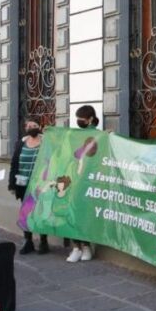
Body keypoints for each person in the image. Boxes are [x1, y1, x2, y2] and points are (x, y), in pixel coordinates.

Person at [65, 105, 99, 263]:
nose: (79, 121)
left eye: (82, 119)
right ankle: (76, 247)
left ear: (91, 119)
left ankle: (86, 246)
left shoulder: (98, 136)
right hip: (75, 179)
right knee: (72, 212)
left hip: (89, 181)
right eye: (77, 118)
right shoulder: (76, 135)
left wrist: (109, 136)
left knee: (84, 214)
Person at [9, 118, 48, 254]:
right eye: (29, 125)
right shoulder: (21, 143)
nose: (31, 127)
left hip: (40, 185)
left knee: (41, 213)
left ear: (40, 127)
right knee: (26, 213)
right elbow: (14, 164)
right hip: (23, 184)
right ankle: (28, 241)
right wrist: (12, 184)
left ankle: (44, 242)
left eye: (34, 125)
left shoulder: (46, 142)